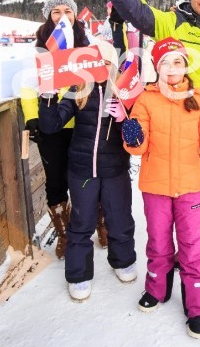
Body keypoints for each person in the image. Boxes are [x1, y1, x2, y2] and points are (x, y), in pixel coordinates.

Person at [83, 0, 200, 290]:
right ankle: (167, 262)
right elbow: (136, 10)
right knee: (173, 204)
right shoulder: (174, 23)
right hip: (177, 128)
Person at [120, 37, 200, 339]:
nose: (171, 68)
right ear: (156, 68)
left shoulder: (199, 98)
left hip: (189, 187)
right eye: (164, 63)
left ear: (185, 65)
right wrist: (133, 139)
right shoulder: (146, 100)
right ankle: (157, 289)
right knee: (158, 243)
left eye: (176, 62)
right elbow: (139, 144)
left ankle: (198, 307)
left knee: (192, 246)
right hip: (155, 185)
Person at [38, 39, 137, 301]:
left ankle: (123, 260)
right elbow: (52, 125)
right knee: (81, 223)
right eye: (97, 63)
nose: (102, 68)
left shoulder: (124, 93)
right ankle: (79, 274)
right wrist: (48, 97)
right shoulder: (78, 89)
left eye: (107, 63)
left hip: (115, 169)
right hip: (82, 171)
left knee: (119, 219)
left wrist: (123, 117)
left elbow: (137, 133)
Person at [20, 0, 108, 259]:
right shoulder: (39, 49)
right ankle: (65, 233)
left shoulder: (87, 44)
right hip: (53, 123)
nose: (62, 17)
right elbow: (27, 87)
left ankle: (101, 222)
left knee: (91, 175)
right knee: (56, 180)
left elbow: (102, 79)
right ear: (48, 16)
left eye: (67, 11)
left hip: (84, 121)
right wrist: (32, 118)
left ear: (75, 15)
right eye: (56, 11)